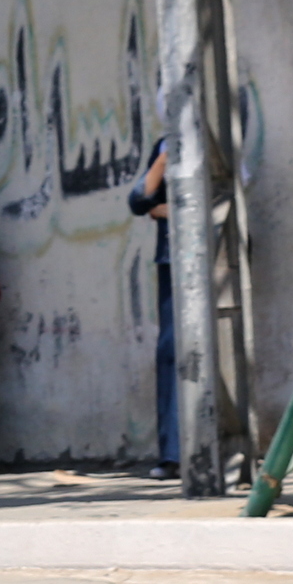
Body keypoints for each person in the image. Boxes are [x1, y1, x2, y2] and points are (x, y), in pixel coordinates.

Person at [128, 140, 177, 477]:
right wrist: (164, 154)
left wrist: (173, 209)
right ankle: (173, 455)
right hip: (171, 260)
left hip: (217, 263)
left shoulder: (218, 138)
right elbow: (140, 200)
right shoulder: (165, 144)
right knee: (170, 353)